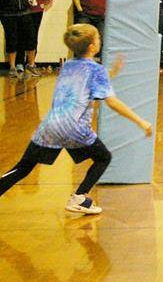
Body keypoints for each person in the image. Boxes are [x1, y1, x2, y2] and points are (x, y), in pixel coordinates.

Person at [0, 24, 152, 215]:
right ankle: (80, 197)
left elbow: (87, 82)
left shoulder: (68, 65)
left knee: (23, 167)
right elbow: (111, 101)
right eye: (97, 39)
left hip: (50, 125)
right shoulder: (96, 71)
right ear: (92, 47)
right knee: (103, 157)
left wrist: (111, 73)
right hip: (75, 127)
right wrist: (140, 121)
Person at [1, 0, 33, 77]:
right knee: (11, 39)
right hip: (8, 15)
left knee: (29, 38)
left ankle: (30, 65)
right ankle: (12, 67)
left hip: (24, 13)